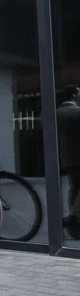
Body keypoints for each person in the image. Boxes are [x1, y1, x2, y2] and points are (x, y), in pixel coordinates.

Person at [57, 84, 80, 239]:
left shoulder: (56, 113)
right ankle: (73, 216)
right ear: (73, 95)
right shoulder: (78, 112)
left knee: (74, 188)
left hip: (66, 157)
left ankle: (74, 226)